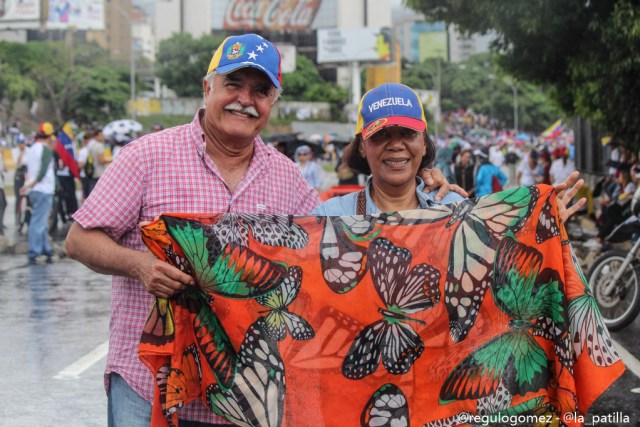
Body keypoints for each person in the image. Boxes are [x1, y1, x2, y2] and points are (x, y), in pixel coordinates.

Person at [65, 34, 462, 427]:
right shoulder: (146, 157)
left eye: (260, 90)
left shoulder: (286, 178)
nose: (245, 99)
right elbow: (79, 240)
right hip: (149, 384)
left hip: (243, 399)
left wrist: (423, 189)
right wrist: (140, 266)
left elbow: (329, 265)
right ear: (207, 87)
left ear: (272, 102)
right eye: (233, 84)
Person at [312, 83, 464, 215]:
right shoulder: (330, 218)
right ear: (362, 147)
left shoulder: (456, 210)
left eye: (408, 133)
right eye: (381, 134)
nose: (396, 145)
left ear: (424, 143)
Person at [20, 122, 56, 264]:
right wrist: (30, 184)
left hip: (34, 191)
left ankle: (46, 249)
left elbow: (30, 171)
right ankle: (34, 251)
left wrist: (28, 185)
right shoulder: (45, 150)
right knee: (38, 222)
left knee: (41, 221)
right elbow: (41, 173)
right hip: (43, 189)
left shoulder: (32, 148)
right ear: (49, 136)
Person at [85, 127, 110, 196]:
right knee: (100, 194)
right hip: (99, 173)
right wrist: (112, 159)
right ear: (97, 136)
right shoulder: (99, 146)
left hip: (93, 172)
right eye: (101, 135)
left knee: (93, 193)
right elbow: (101, 160)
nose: (103, 137)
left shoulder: (91, 145)